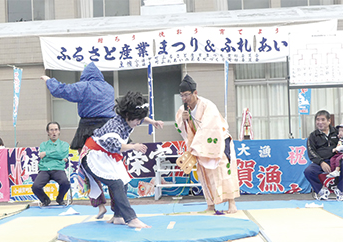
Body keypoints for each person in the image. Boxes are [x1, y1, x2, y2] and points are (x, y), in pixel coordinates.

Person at [79, 91, 163, 228]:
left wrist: (153, 122)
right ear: (128, 116)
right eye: (136, 120)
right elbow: (116, 147)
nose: (138, 123)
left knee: (123, 181)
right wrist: (134, 146)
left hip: (105, 154)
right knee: (117, 183)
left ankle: (118, 216)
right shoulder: (114, 127)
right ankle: (131, 218)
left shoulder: (131, 118)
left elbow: (141, 118)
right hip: (94, 155)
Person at [175, 74, 240, 214]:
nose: (184, 98)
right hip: (199, 146)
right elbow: (179, 126)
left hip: (218, 142)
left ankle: (232, 204)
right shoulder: (182, 110)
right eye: (182, 95)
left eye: (186, 94)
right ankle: (210, 205)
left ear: (195, 93)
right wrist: (184, 120)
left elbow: (210, 128)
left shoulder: (207, 106)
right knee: (205, 175)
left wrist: (196, 146)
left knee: (224, 171)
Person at [41, 62, 116, 152]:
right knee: (110, 153)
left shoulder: (84, 86)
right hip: (109, 124)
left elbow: (63, 90)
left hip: (88, 125)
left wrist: (48, 81)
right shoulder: (109, 88)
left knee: (86, 154)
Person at [304, 110, 342, 200]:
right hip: (322, 162)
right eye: (317, 120)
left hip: (336, 161)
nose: (320, 122)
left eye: (322, 120)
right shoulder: (313, 136)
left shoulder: (337, 132)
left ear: (329, 121)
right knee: (308, 171)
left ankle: (340, 190)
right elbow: (311, 151)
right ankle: (321, 191)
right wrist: (321, 162)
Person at [32, 122, 70, 206]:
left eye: (56, 130)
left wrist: (46, 153)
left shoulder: (64, 144)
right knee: (35, 187)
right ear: (48, 132)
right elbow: (59, 155)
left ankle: (60, 199)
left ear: (59, 131)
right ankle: (45, 200)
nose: (54, 132)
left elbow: (61, 154)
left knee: (65, 183)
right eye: (51, 130)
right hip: (45, 170)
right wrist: (58, 156)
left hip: (58, 169)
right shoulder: (43, 144)